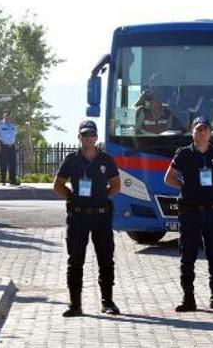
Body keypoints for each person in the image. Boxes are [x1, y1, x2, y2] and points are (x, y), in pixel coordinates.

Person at [163, 116, 213, 312]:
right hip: (189, 212)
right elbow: (169, 178)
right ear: (192, 132)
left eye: (205, 129)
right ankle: (188, 299)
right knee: (187, 256)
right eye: (198, 129)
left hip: (212, 212)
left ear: (210, 132)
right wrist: (185, 186)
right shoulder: (183, 154)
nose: (202, 132)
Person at [53, 120, 121, 317]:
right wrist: (72, 198)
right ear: (79, 137)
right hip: (78, 217)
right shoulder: (71, 160)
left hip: (101, 216)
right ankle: (75, 305)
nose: (89, 138)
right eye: (85, 134)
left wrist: (100, 197)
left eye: (92, 134)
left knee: (106, 260)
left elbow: (116, 185)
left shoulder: (106, 160)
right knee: (75, 261)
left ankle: (107, 302)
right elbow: (58, 185)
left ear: (96, 137)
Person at [0, 110, 19, 185]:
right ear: (3, 115)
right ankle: (3, 180)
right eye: (6, 115)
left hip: (12, 146)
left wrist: (16, 143)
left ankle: (12, 180)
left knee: (13, 164)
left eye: (9, 115)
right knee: (3, 164)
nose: (8, 116)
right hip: (3, 146)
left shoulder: (13, 125)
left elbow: (15, 136)